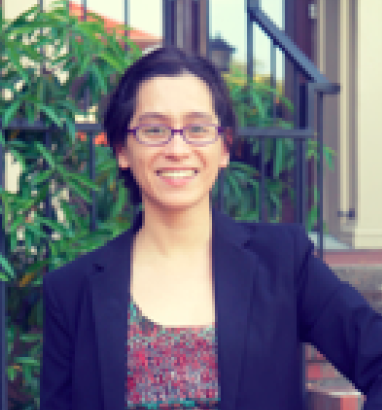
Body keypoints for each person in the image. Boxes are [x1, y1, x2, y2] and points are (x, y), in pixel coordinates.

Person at [40, 46, 382, 410]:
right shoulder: (72, 290)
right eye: (154, 129)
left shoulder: (283, 261)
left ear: (224, 147)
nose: (177, 148)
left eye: (197, 128)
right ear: (122, 149)